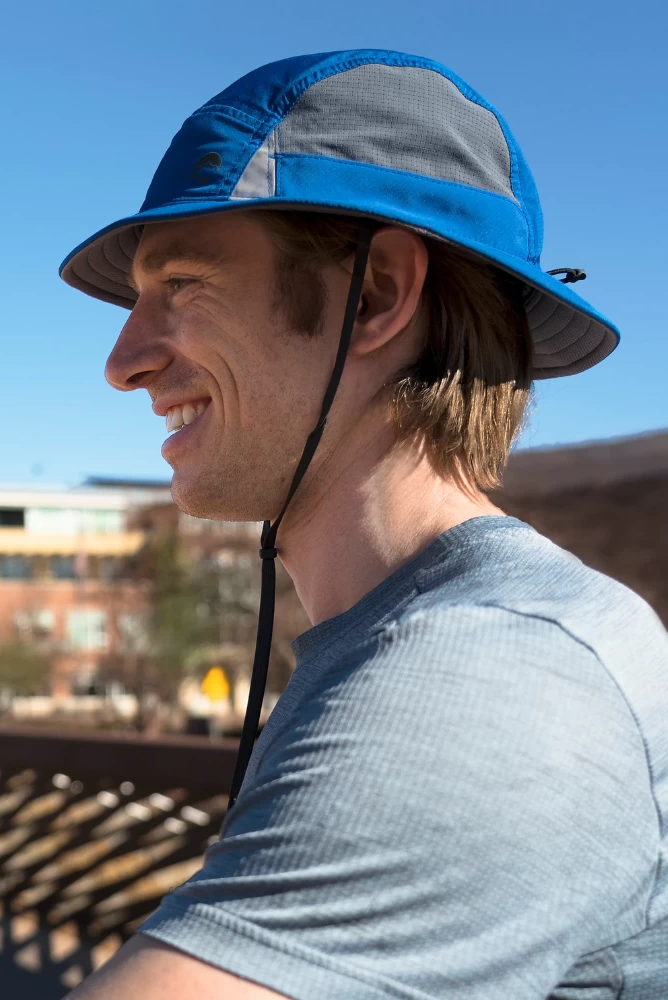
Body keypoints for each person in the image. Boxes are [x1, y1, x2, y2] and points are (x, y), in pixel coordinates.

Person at [57, 50, 668, 999]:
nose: (122, 361)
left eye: (181, 283)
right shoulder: (414, 636)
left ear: (376, 295)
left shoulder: (492, 674)